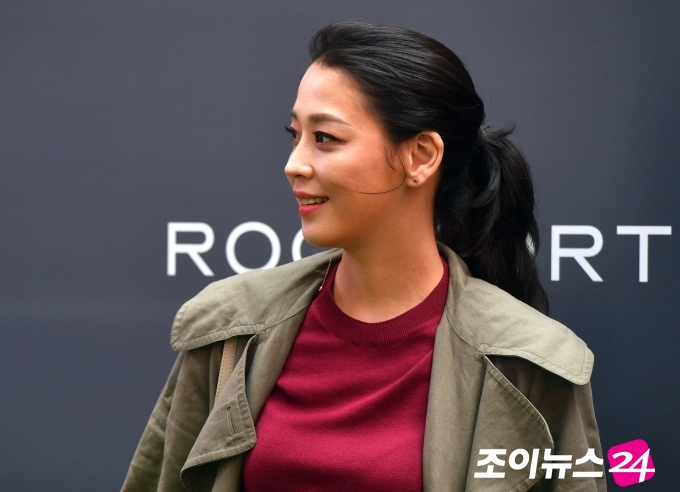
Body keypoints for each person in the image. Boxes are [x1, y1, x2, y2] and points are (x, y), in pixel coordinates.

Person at [122, 21, 605, 492]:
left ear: (420, 157)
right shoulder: (229, 330)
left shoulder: (531, 364)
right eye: (295, 134)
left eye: (325, 138)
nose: (294, 163)